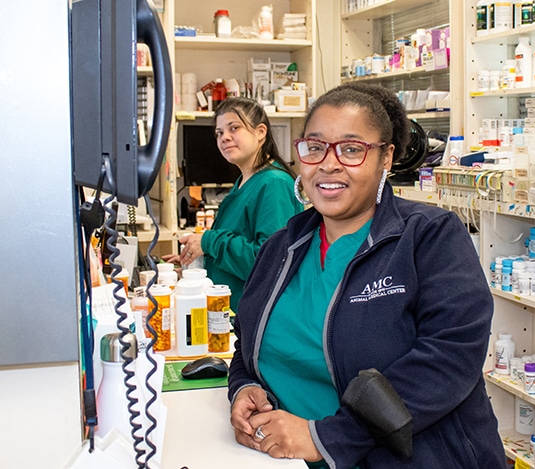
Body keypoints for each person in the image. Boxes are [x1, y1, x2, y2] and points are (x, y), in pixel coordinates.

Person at [228, 83, 507, 468]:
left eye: (352, 149)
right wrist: (243, 387)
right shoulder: (281, 247)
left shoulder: (429, 236)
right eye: (315, 147)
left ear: (386, 157)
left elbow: (450, 357)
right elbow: (246, 342)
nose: (328, 164)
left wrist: (325, 437)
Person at [163, 97, 303, 310]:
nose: (224, 138)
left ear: (260, 132)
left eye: (234, 128)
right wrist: (197, 265)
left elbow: (269, 263)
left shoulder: (274, 184)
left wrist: (209, 242)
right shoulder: (244, 181)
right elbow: (238, 244)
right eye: (219, 133)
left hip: (256, 315)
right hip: (231, 310)